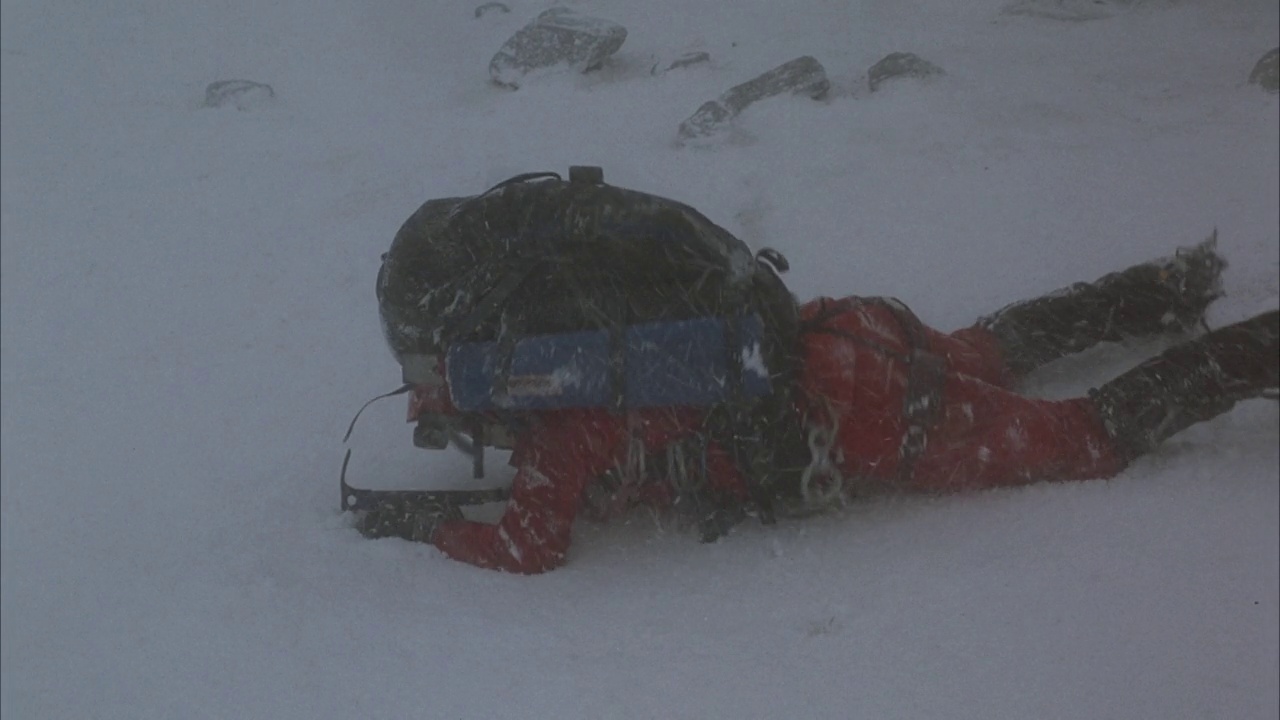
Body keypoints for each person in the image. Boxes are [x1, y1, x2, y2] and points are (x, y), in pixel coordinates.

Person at [360, 207, 1278, 574]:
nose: (422, 399)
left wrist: (423, 527)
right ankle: (1164, 287)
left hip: (859, 413)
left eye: (428, 381)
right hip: (834, 336)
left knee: (1085, 437)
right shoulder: (599, 342)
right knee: (982, 350)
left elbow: (526, 549)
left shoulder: (569, 412)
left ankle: (1261, 348)